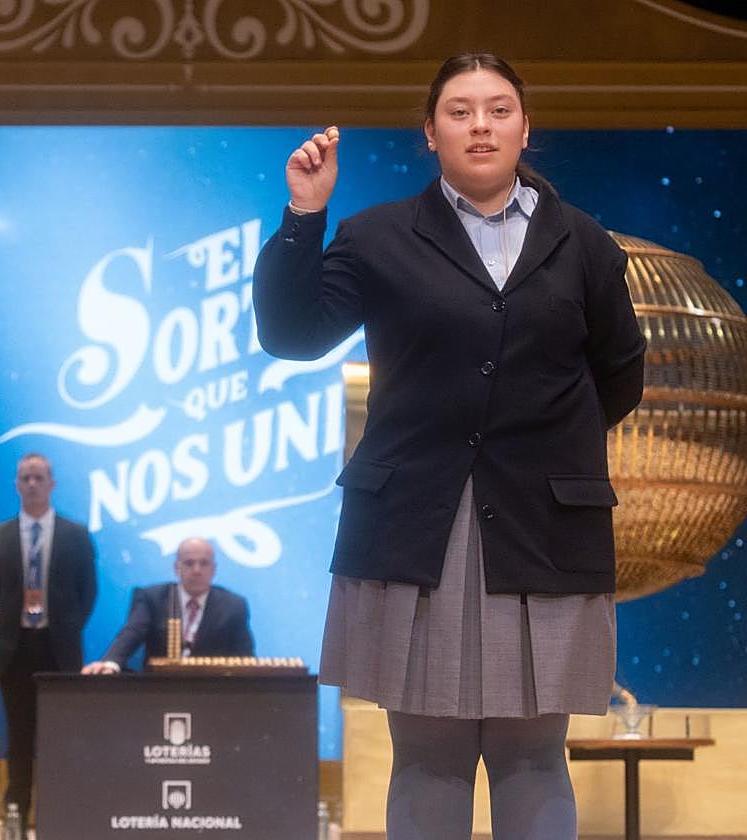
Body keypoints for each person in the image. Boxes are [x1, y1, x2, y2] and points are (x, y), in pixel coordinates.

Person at [252, 54, 645, 840]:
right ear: (429, 132)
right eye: (460, 111)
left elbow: (619, 378)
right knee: (427, 753)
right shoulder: (377, 235)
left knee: (534, 751)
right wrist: (304, 216)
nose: (481, 126)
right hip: (413, 527)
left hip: (545, 528)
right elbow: (291, 334)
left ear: (525, 127)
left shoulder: (585, 244)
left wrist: (538, 449)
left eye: (499, 110)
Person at [0, 452, 97, 834]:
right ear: (17, 485)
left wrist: (64, 628)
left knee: (59, 739)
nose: (32, 484)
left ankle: (60, 816)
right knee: (18, 739)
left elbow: (87, 593)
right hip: (14, 650)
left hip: (59, 651)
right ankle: (16, 815)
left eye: (39, 477)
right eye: (26, 478)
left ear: (52, 483)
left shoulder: (76, 535)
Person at [81, 537, 254, 674]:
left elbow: (246, 660)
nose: (196, 570)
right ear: (176, 568)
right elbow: (132, 632)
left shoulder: (234, 606)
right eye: (189, 563)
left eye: (204, 563)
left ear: (214, 569)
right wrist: (111, 662)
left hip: (212, 694)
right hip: (160, 690)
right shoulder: (153, 598)